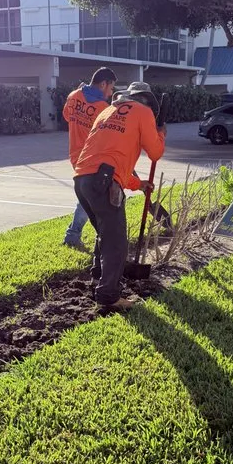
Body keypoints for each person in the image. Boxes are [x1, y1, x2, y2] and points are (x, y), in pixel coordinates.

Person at [73, 82, 166, 310]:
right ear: (147, 102)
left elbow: (109, 158)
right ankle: (109, 297)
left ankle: (99, 276)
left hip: (82, 179)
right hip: (103, 181)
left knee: (105, 233)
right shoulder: (143, 112)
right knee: (116, 242)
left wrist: (138, 184)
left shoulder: (107, 111)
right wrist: (160, 133)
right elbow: (155, 152)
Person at [62, 67, 117, 249]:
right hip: (92, 158)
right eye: (110, 89)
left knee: (86, 194)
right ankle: (73, 234)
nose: (111, 93)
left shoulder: (73, 95)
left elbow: (66, 116)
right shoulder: (104, 109)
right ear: (103, 84)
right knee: (90, 196)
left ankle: (73, 234)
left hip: (75, 155)